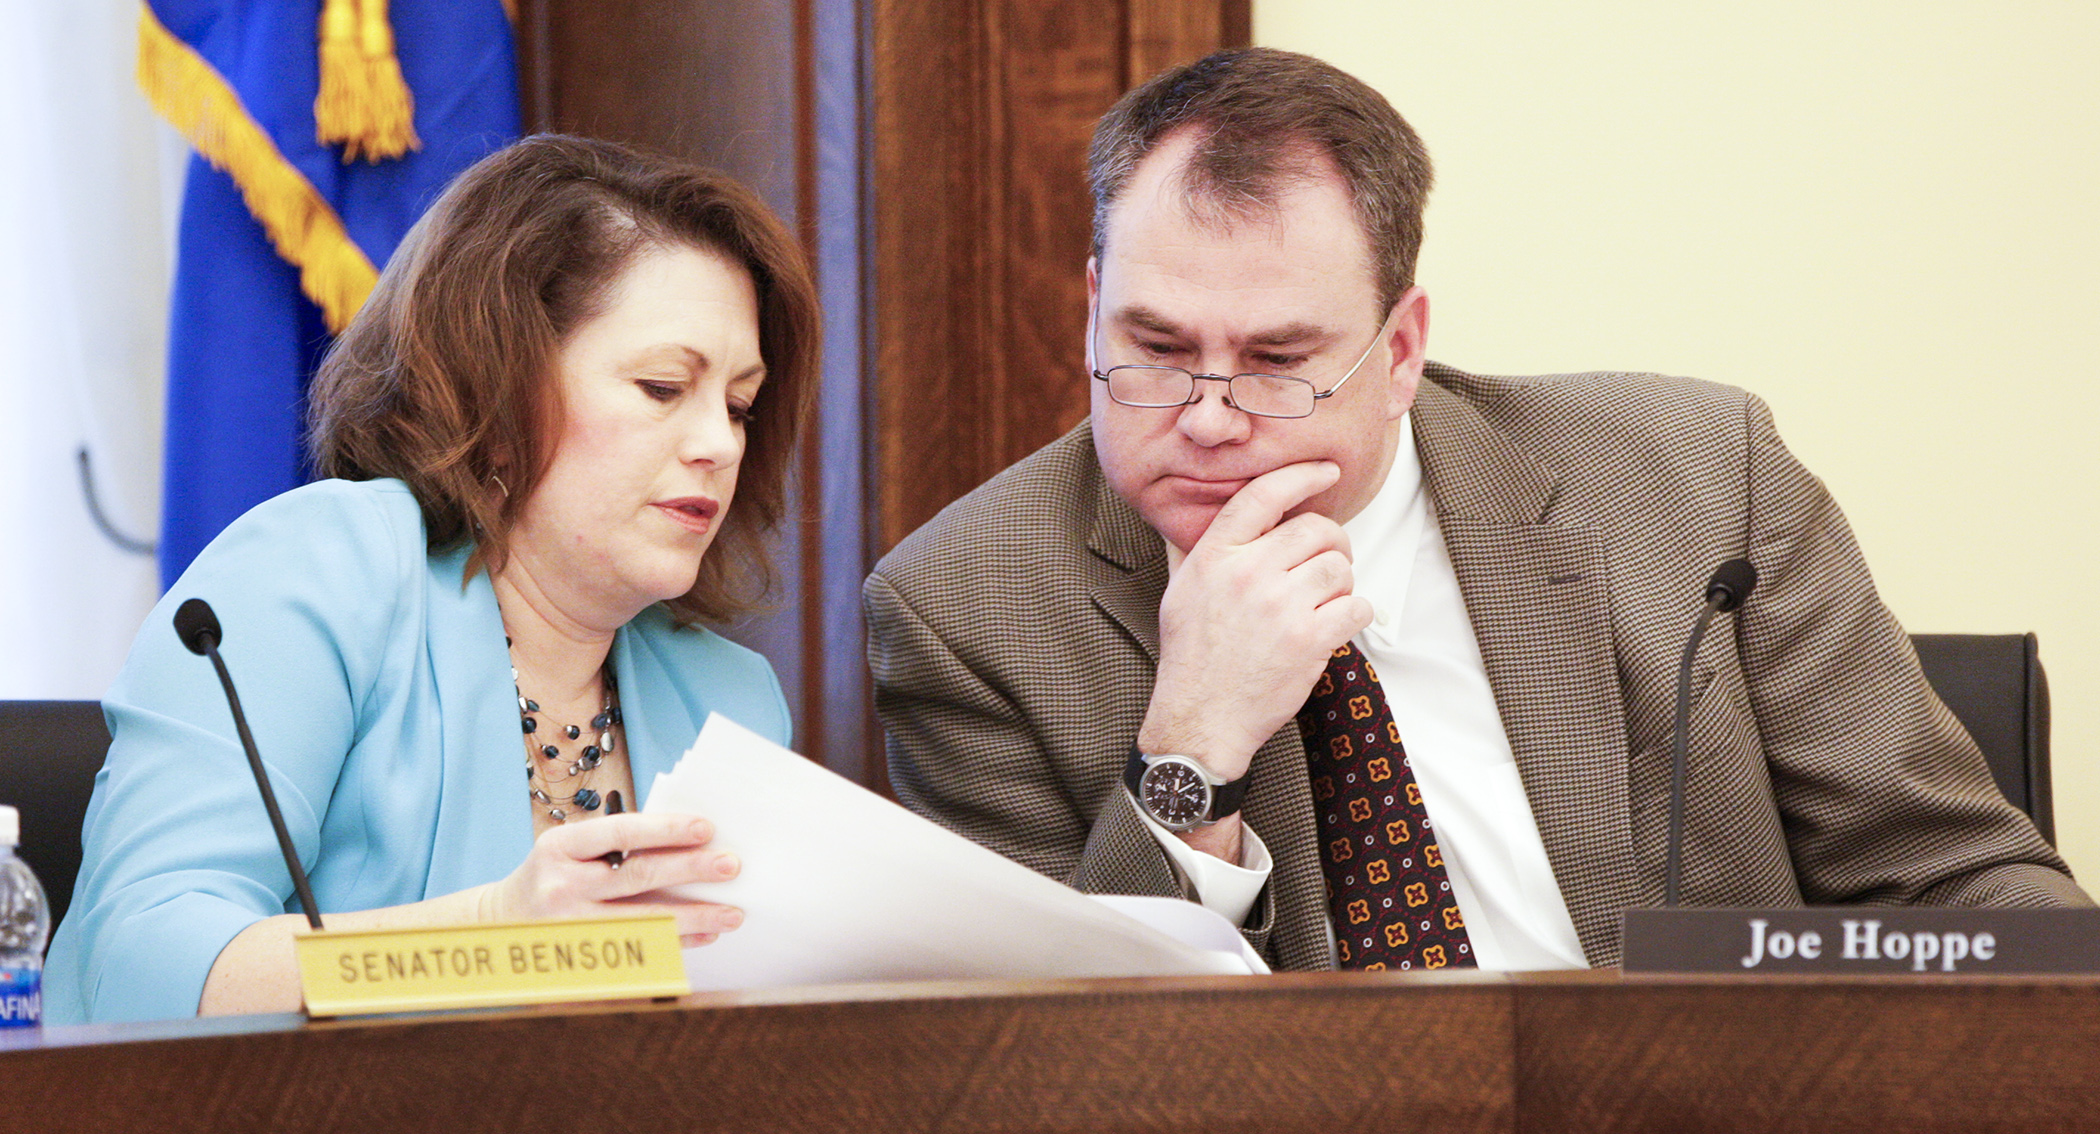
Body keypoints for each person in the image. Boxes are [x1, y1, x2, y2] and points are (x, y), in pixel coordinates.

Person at [864, 48, 2087, 975]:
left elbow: (1960, 889)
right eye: (1155, 344)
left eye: (1280, 358)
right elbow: (1046, 1059)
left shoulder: (1695, 479)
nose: (1210, 415)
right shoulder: (967, 612)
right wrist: (1188, 747)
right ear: (1091, 307)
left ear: (1400, 349)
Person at [45, 134, 820, 1021]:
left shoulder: (729, 697)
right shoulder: (316, 578)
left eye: (738, 405)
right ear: (501, 385)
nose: (719, 444)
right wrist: (496, 936)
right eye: (659, 386)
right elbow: (139, 964)